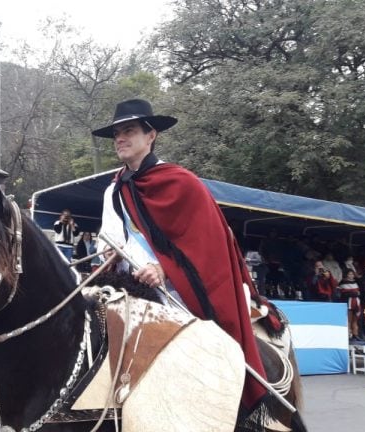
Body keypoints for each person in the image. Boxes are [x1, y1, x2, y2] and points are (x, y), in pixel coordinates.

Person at [94, 98, 268, 419]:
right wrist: (106, 257)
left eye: (129, 131)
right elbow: (111, 240)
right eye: (117, 133)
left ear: (151, 136)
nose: (120, 138)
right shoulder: (113, 190)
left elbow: (208, 245)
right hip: (127, 293)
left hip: (176, 294)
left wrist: (164, 269)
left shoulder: (182, 182)